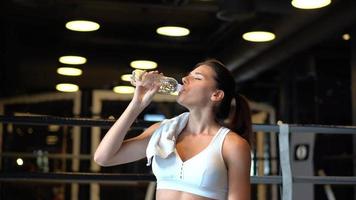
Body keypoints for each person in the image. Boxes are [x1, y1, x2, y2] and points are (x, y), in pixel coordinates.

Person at [94, 59, 252, 200]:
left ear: (216, 95)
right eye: (187, 75)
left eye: (197, 77)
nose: (184, 79)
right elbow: (104, 158)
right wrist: (137, 105)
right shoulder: (162, 132)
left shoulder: (232, 145)